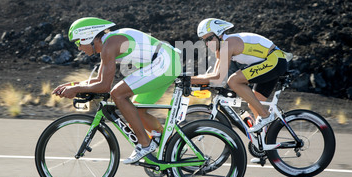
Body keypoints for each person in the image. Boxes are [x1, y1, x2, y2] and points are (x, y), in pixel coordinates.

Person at [52, 17, 181, 164]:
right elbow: (98, 80)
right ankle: (171, 144)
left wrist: (76, 89)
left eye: (78, 43)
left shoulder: (110, 45)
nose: (79, 48)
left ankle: (145, 144)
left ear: (88, 36)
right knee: (137, 110)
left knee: (117, 94)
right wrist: (73, 85)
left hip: (164, 63)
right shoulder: (108, 44)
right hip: (166, 61)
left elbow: (105, 86)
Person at [191, 18, 290, 133]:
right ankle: (265, 141)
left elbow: (218, 77)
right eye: (204, 41)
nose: (207, 43)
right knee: (254, 103)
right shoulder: (221, 49)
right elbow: (214, 75)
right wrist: (194, 81)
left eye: (209, 38)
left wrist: (189, 80)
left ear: (219, 34)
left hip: (275, 60)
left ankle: (266, 115)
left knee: (233, 81)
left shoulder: (228, 44)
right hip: (270, 62)